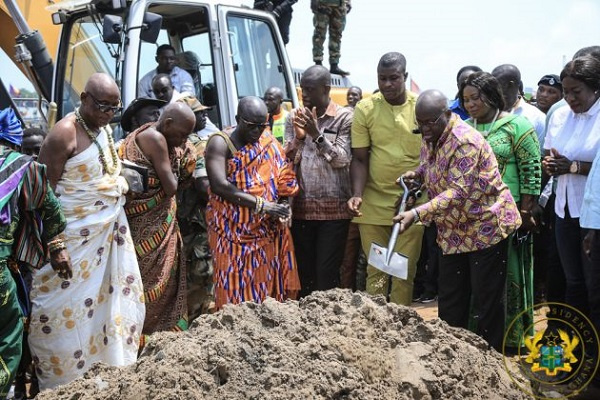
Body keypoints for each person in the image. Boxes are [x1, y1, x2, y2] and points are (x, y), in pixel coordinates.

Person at [30, 73, 146, 390]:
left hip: (104, 237)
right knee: (59, 319)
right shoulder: (63, 134)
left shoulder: (103, 130)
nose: (108, 114)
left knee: (108, 310)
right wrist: (55, 244)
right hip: (70, 243)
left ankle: (106, 382)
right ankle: (61, 389)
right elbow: (41, 192)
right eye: (102, 106)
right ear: (83, 99)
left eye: (113, 108)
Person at [393, 90, 521, 350]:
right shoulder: (431, 135)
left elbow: (458, 191)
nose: (425, 128)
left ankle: (490, 362)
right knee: (451, 300)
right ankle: (452, 357)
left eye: (430, 121)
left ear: (447, 114)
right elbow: (430, 164)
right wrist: (416, 175)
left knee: (486, 301)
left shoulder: (465, 141)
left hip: (484, 226)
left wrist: (417, 213)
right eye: (420, 122)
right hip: (453, 230)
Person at [460, 71, 541, 349]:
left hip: (510, 215)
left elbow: (532, 171)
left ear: (492, 96)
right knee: (478, 280)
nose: (470, 104)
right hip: (472, 217)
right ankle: (477, 335)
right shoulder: (462, 128)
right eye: (466, 99)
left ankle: (512, 338)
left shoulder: (517, 125)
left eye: (476, 98)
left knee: (511, 275)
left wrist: (527, 211)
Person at [0, 108, 71, 399]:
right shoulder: (22, 168)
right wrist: (57, 248)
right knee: (8, 334)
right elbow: (52, 210)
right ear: (16, 145)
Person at [205, 96, 299, 309]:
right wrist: (262, 205)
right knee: (232, 288)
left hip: (264, 231)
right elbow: (219, 185)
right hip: (230, 232)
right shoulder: (220, 142)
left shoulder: (268, 141)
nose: (257, 132)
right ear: (238, 119)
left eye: (262, 125)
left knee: (263, 289)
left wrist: (284, 204)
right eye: (251, 126)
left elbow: (283, 173)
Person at [347, 52, 425, 305]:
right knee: (377, 270)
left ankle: (400, 327)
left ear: (405, 76)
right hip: (373, 202)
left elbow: (432, 156)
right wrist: (357, 194)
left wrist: (421, 184)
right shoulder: (366, 108)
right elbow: (359, 157)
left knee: (402, 270)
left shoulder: (420, 107)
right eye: (382, 79)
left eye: (394, 78)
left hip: (412, 204)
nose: (388, 84)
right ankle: (377, 325)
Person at [119, 103, 197, 340]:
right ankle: (148, 337)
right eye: (182, 134)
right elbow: (171, 187)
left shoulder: (145, 132)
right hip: (148, 225)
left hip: (150, 222)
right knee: (150, 283)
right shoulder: (156, 139)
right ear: (169, 123)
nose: (183, 140)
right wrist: (183, 156)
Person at [284, 65, 353, 296]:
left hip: (334, 213)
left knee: (326, 275)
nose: (304, 95)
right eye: (302, 89)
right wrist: (299, 139)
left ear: (326, 89)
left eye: (310, 89)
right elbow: (286, 160)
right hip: (302, 209)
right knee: (304, 275)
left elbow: (341, 160)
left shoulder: (344, 117)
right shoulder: (294, 117)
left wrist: (316, 135)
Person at [542, 55, 600, 323]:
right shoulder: (560, 116)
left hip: (593, 216)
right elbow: (552, 154)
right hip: (564, 209)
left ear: (594, 87)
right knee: (573, 282)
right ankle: (579, 351)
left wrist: (573, 167)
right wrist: (551, 164)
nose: (570, 98)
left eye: (576, 92)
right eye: (565, 92)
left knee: (594, 286)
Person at [492, 64, 546, 148]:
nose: (492, 88)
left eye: (496, 84)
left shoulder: (537, 118)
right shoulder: (487, 114)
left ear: (510, 85)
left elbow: (541, 155)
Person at [153, 74, 219, 137]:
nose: (160, 94)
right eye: (156, 92)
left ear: (172, 88)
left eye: (164, 90)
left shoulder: (182, 103)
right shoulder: (158, 109)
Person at [311, 0, 351, 76]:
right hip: (323, 3)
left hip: (340, 4)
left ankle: (334, 65)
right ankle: (318, 63)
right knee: (319, 33)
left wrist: (348, 2)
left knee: (336, 35)